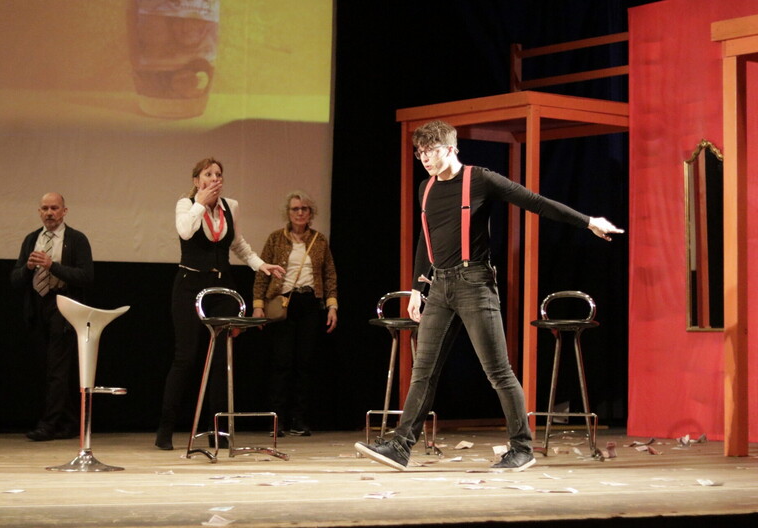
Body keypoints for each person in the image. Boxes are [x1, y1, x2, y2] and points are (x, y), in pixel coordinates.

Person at [354, 120, 624, 471]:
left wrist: (588, 221)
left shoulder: (480, 179)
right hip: (440, 286)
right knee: (423, 371)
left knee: (497, 371)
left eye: (431, 151)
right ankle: (401, 446)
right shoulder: (426, 188)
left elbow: (536, 202)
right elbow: (426, 237)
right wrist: (418, 287)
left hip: (474, 283)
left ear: (451, 148)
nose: (425, 159)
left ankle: (522, 447)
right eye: (420, 153)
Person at [155, 157, 285, 450]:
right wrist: (200, 203)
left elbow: (237, 244)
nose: (214, 178)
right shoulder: (186, 204)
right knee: (186, 357)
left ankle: (218, 431)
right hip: (189, 286)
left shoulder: (231, 206)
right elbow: (185, 232)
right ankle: (165, 428)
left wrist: (260, 264)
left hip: (222, 287)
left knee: (220, 360)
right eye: (208, 174)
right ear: (196, 180)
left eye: (218, 174)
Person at [252, 191, 338, 437]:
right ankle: (277, 419)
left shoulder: (319, 240)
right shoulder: (275, 238)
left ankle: (299, 419)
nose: (300, 213)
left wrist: (332, 306)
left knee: (304, 363)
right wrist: (258, 305)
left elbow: (329, 275)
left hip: (309, 303)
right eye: (295, 209)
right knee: (282, 362)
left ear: (311, 213)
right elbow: (262, 274)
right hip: (283, 304)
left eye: (304, 209)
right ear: (288, 213)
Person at [10, 192, 94, 441]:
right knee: (48, 369)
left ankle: (48, 425)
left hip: (63, 305)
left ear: (64, 211)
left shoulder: (76, 239)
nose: (49, 213)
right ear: (39, 212)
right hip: (37, 307)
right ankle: (68, 422)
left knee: (57, 368)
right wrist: (28, 268)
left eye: (54, 208)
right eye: (45, 208)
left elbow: (86, 276)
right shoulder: (31, 239)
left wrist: (51, 265)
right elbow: (14, 279)